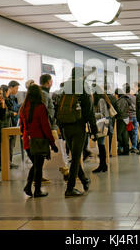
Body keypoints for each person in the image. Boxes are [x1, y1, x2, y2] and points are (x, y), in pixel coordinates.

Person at [58, 67, 98, 197]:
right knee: (75, 158)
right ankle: (70, 188)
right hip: (78, 126)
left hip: (65, 126)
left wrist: (60, 126)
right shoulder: (83, 87)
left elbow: (58, 106)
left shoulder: (65, 86)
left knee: (74, 156)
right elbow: (89, 111)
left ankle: (84, 180)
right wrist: (94, 130)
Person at [20, 84, 58, 198]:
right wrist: (52, 142)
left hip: (27, 140)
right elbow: (45, 127)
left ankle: (28, 186)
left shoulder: (23, 107)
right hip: (39, 140)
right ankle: (36, 190)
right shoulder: (40, 107)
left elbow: (22, 127)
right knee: (38, 166)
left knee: (36, 165)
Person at [0, 85, 13, 172]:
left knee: (2, 148)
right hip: (0, 127)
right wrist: (10, 113)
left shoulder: (5, 101)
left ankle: (0, 164)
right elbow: (3, 115)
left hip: (4, 126)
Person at [92, 85, 110, 172]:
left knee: (101, 145)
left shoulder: (101, 100)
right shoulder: (100, 100)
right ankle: (103, 165)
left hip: (101, 124)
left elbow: (103, 114)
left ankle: (103, 165)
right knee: (100, 145)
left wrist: (93, 115)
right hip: (100, 124)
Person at [8, 80, 21, 169]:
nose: (17, 90)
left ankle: (10, 162)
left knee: (12, 145)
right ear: (11, 88)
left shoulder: (13, 98)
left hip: (15, 123)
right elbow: (13, 109)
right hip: (11, 124)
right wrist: (20, 105)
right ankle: (7, 162)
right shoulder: (9, 98)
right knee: (9, 145)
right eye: (16, 88)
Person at [115, 87, 132, 156]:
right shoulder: (126, 99)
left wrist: (116, 114)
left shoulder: (121, 100)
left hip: (121, 118)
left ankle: (122, 148)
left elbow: (120, 110)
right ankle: (126, 150)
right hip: (126, 118)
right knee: (125, 134)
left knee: (118, 135)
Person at [123, 83, 139, 153]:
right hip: (135, 115)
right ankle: (134, 146)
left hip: (128, 117)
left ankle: (126, 146)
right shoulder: (134, 97)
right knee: (135, 132)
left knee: (126, 132)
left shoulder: (123, 98)